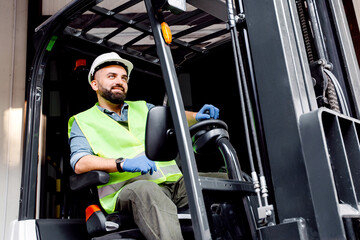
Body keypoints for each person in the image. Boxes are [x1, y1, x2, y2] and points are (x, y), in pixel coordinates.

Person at [68, 52, 220, 240]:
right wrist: (123, 163)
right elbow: (80, 162)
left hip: (176, 184)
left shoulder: (143, 107)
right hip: (130, 189)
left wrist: (196, 116)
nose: (119, 81)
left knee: (225, 181)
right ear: (94, 84)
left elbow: (173, 117)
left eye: (124, 78)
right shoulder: (83, 121)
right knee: (146, 190)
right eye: (111, 76)